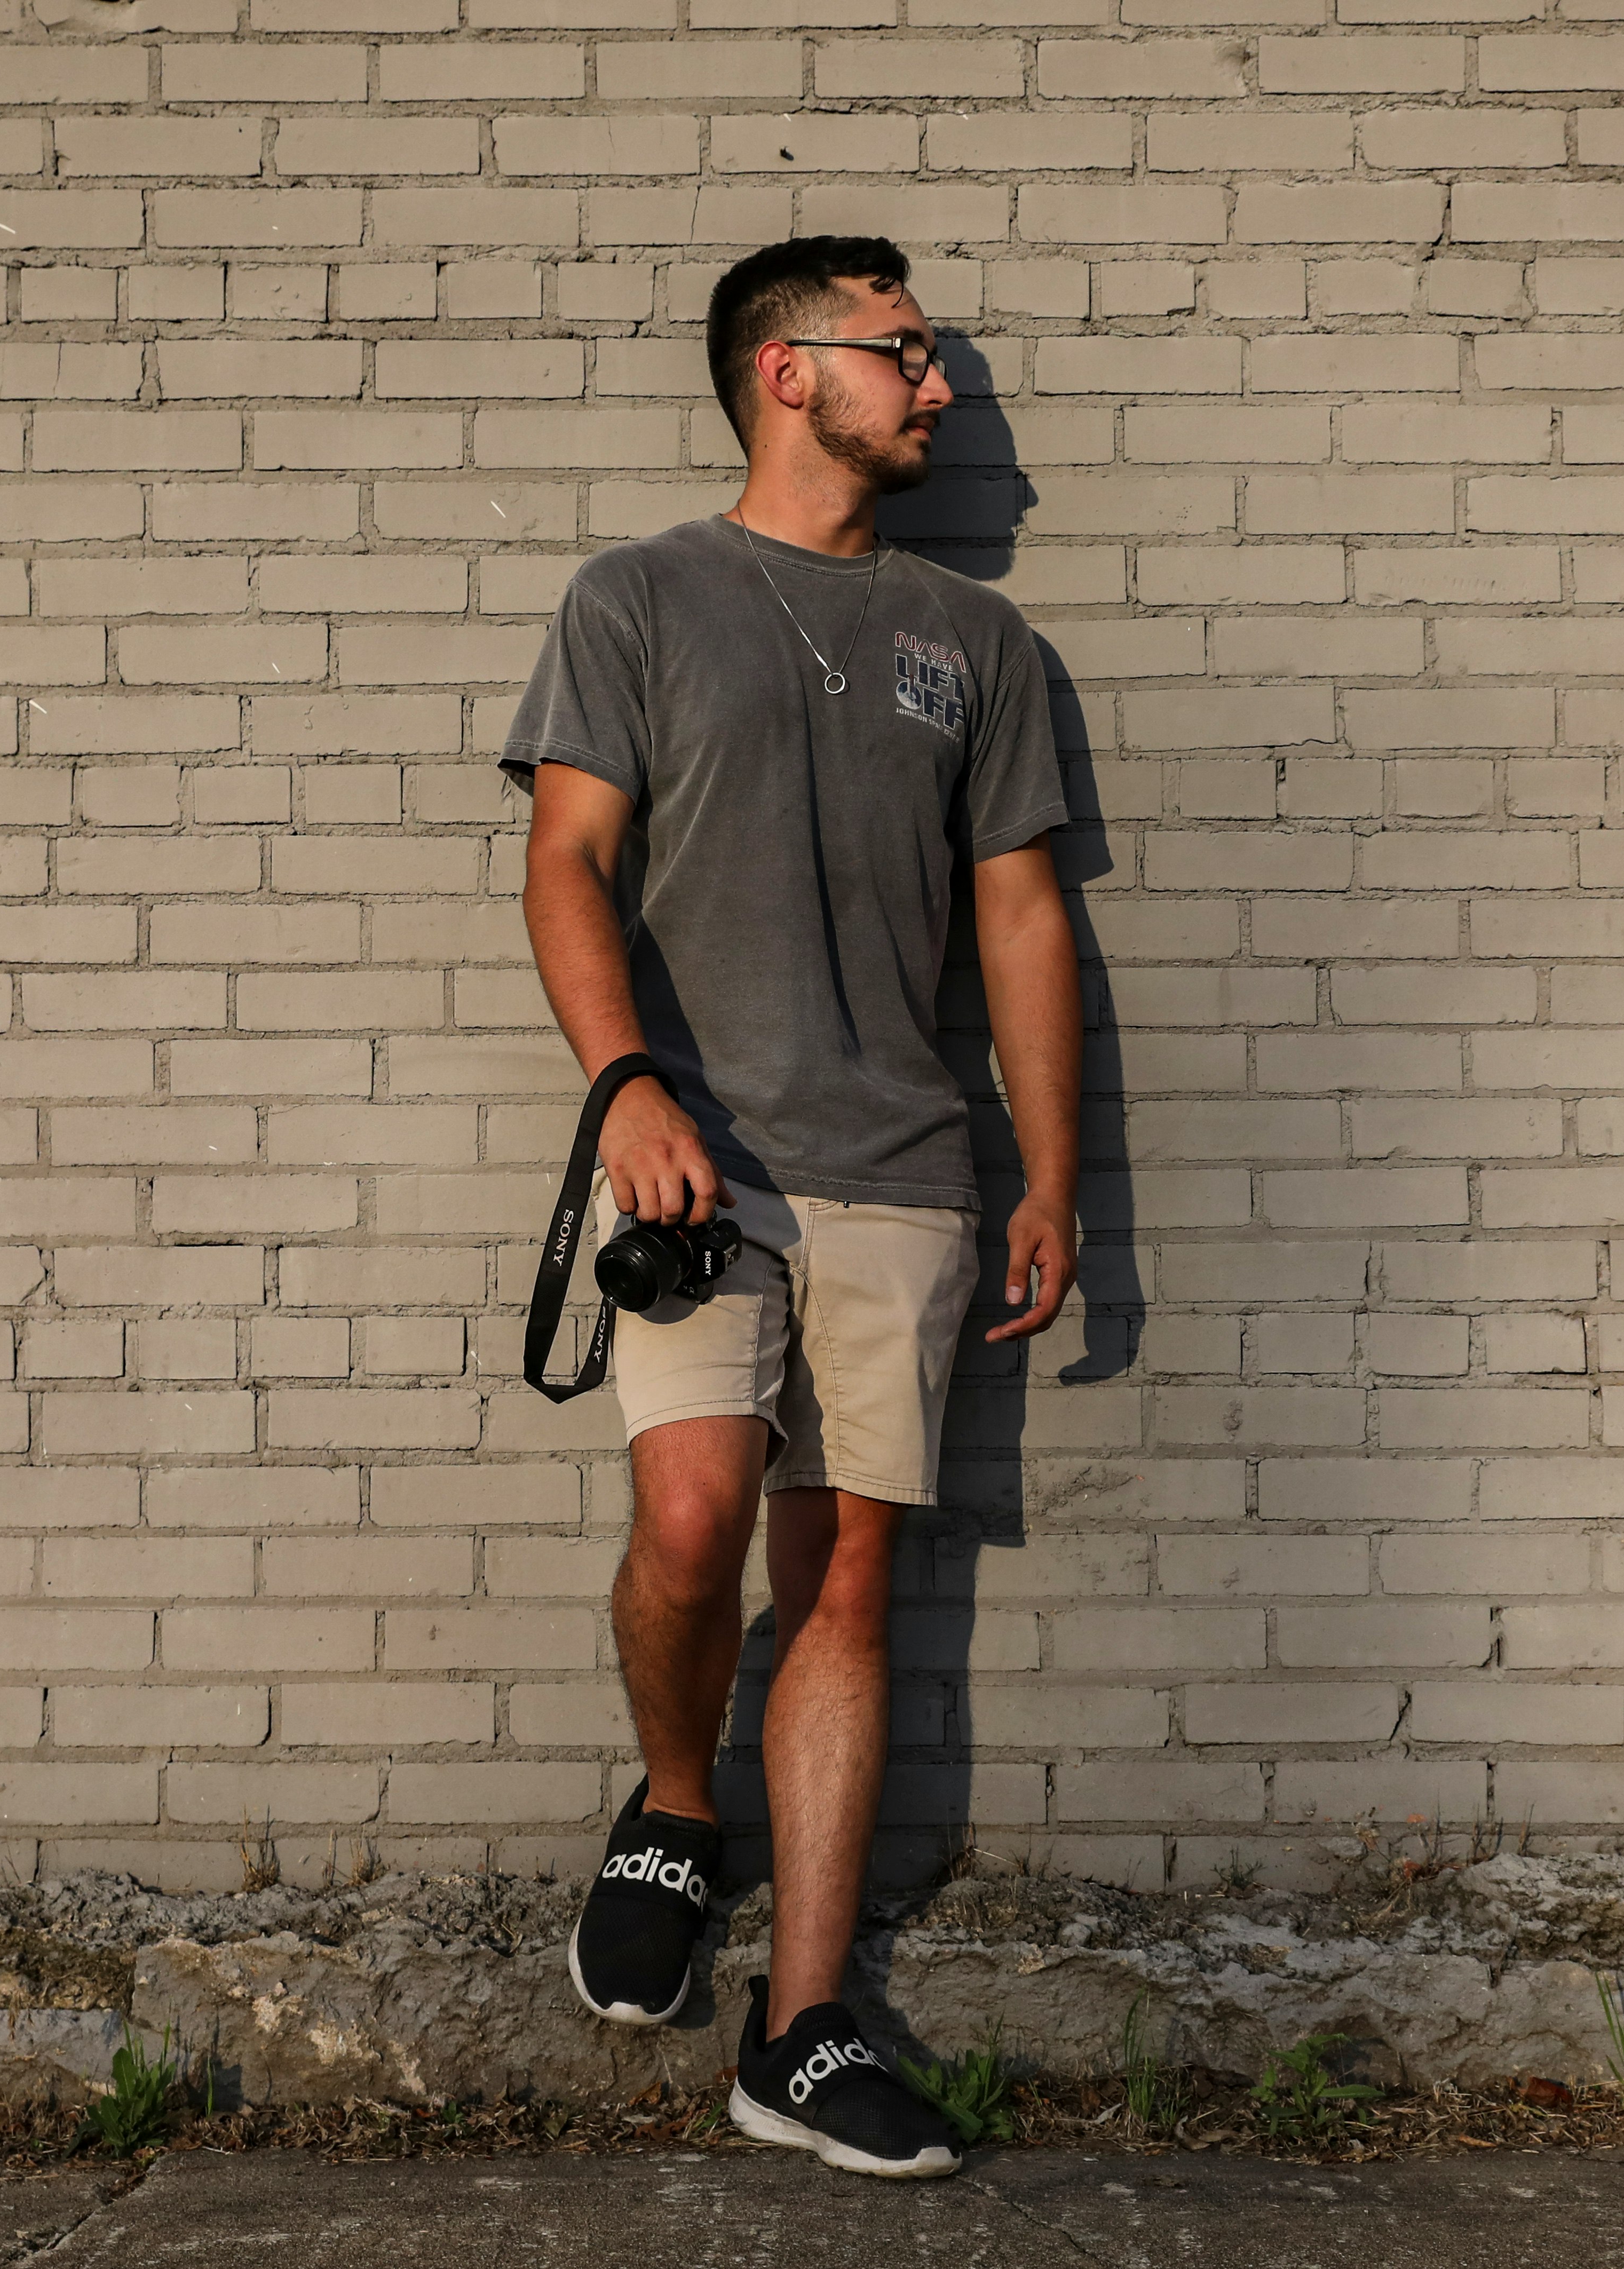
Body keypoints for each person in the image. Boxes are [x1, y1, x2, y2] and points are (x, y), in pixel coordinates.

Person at [500, 235, 1081, 2178]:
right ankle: (678, 1800)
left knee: (850, 1580)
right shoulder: (642, 598)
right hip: (701, 1159)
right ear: (787, 371)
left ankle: (805, 2023)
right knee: (690, 1517)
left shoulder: (976, 642)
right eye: (905, 351)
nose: (938, 386)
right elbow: (567, 860)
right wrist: (625, 1087)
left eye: (933, 358)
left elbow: (1019, 915)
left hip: (908, 1170)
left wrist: (1050, 1168)